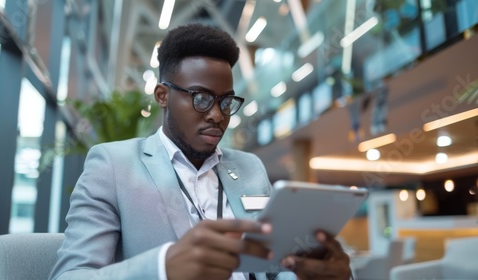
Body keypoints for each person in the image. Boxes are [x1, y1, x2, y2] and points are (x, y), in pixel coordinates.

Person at [49, 23, 351, 280]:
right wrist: (163, 267)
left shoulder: (250, 168)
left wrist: (313, 272)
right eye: (202, 98)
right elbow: (72, 276)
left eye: (225, 101)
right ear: (163, 96)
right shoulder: (113, 166)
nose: (217, 115)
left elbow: (273, 268)